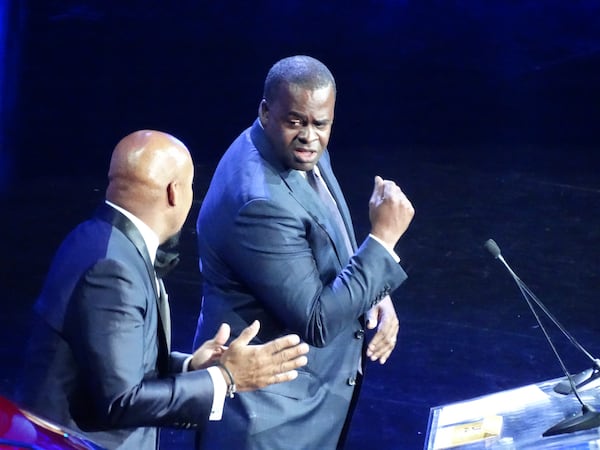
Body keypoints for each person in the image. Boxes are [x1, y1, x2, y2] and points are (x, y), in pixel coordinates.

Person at [17, 130, 309, 450]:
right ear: (174, 192)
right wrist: (225, 378)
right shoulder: (112, 268)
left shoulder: (99, 240)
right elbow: (121, 400)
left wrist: (192, 368)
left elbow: (112, 362)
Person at [192, 55, 415, 449]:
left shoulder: (296, 149)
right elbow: (317, 321)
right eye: (295, 121)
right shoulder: (259, 202)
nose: (309, 136)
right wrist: (382, 243)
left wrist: (377, 291)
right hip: (268, 421)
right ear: (265, 112)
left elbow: (331, 239)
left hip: (306, 404)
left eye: (320, 124)